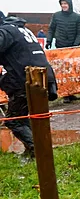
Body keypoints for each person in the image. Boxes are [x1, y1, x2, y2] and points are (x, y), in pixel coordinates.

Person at [0, 16, 58, 159]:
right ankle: (34, 149)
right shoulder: (21, 29)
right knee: (25, 117)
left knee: (14, 120)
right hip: (42, 75)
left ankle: (38, 151)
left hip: (26, 78)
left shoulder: (5, 31)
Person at [46, 0, 80, 103]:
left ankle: (72, 93)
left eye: (65, 3)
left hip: (72, 48)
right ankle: (65, 94)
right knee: (62, 71)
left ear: (70, 4)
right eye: (62, 4)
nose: (64, 5)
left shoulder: (77, 17)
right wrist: (49, 40)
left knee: (73, 71)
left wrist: (75, 45)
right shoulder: (56, 16)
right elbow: (51, 29)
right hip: (60, 47)